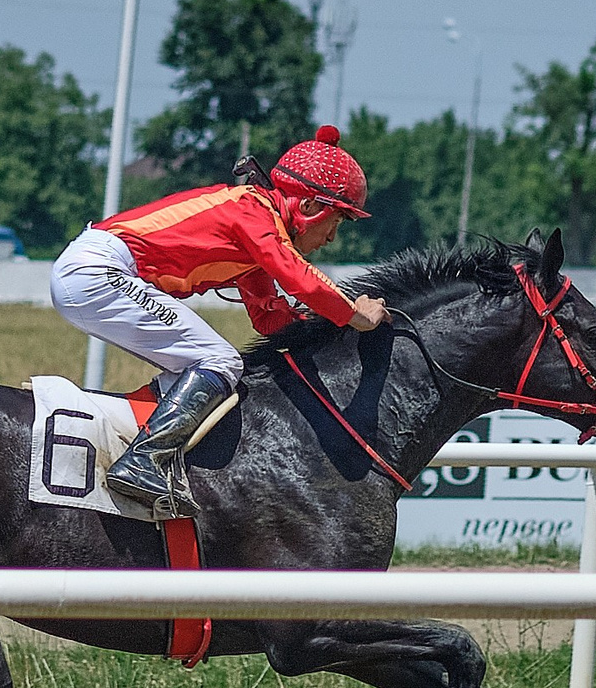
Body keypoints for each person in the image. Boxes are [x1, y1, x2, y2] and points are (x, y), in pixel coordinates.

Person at [50, 125, 387, 509]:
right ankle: (143, 461)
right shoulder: (253, 211)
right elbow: (301, 280)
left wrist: (325, 325)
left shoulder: (257, 233)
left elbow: (269, 320)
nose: (332, 238)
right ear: (310, 208)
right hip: (100, 272)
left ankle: (143, 445)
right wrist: (355, 314)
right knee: (220, 360)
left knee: (204, 364)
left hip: (94, 272)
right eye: (337, 222)